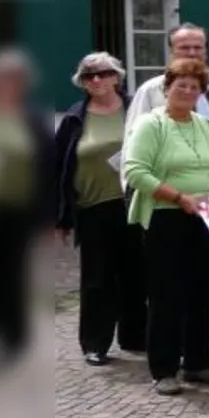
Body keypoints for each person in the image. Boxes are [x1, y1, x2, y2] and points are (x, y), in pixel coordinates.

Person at [121, 58, 209, 396]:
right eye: (180, 85)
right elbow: (136, 171)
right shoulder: (150, 124)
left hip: (208, 212)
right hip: (166, 213)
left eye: (194, 86)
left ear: (201, 92)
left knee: (202, 290)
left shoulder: (206, 126)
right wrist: (179, 196)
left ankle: (197, 363)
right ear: (166, 88)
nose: (187, 91)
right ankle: (164, 368)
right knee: (167, 293)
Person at [124, 23, 209, 312]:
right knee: (170, 288)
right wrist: (139, 200)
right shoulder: (149, 93)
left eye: (198, 47)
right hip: (166, 209)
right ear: (171, 52)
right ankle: (170, 351)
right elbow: (133, 159)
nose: (192, 53)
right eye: (184, 48)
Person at [58, 52, 144, 367]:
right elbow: (59, 167)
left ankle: (135, 335)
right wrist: (60, 215)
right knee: (97, 279)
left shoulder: (136, 109)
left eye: (103, 73)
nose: (96, 80)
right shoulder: (75, 117)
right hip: (93, 207)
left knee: (136, 273)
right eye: (88, 76)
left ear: (117, 77)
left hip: (134, 203)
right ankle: (95, 342)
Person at [0, 51, 54, 362]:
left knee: (11, 275)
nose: (9, 84)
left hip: (18, 211)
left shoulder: (33, 118)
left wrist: (48, 215)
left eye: (15, 79)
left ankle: (12, 338)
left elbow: (47, 166)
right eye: (3, 78)